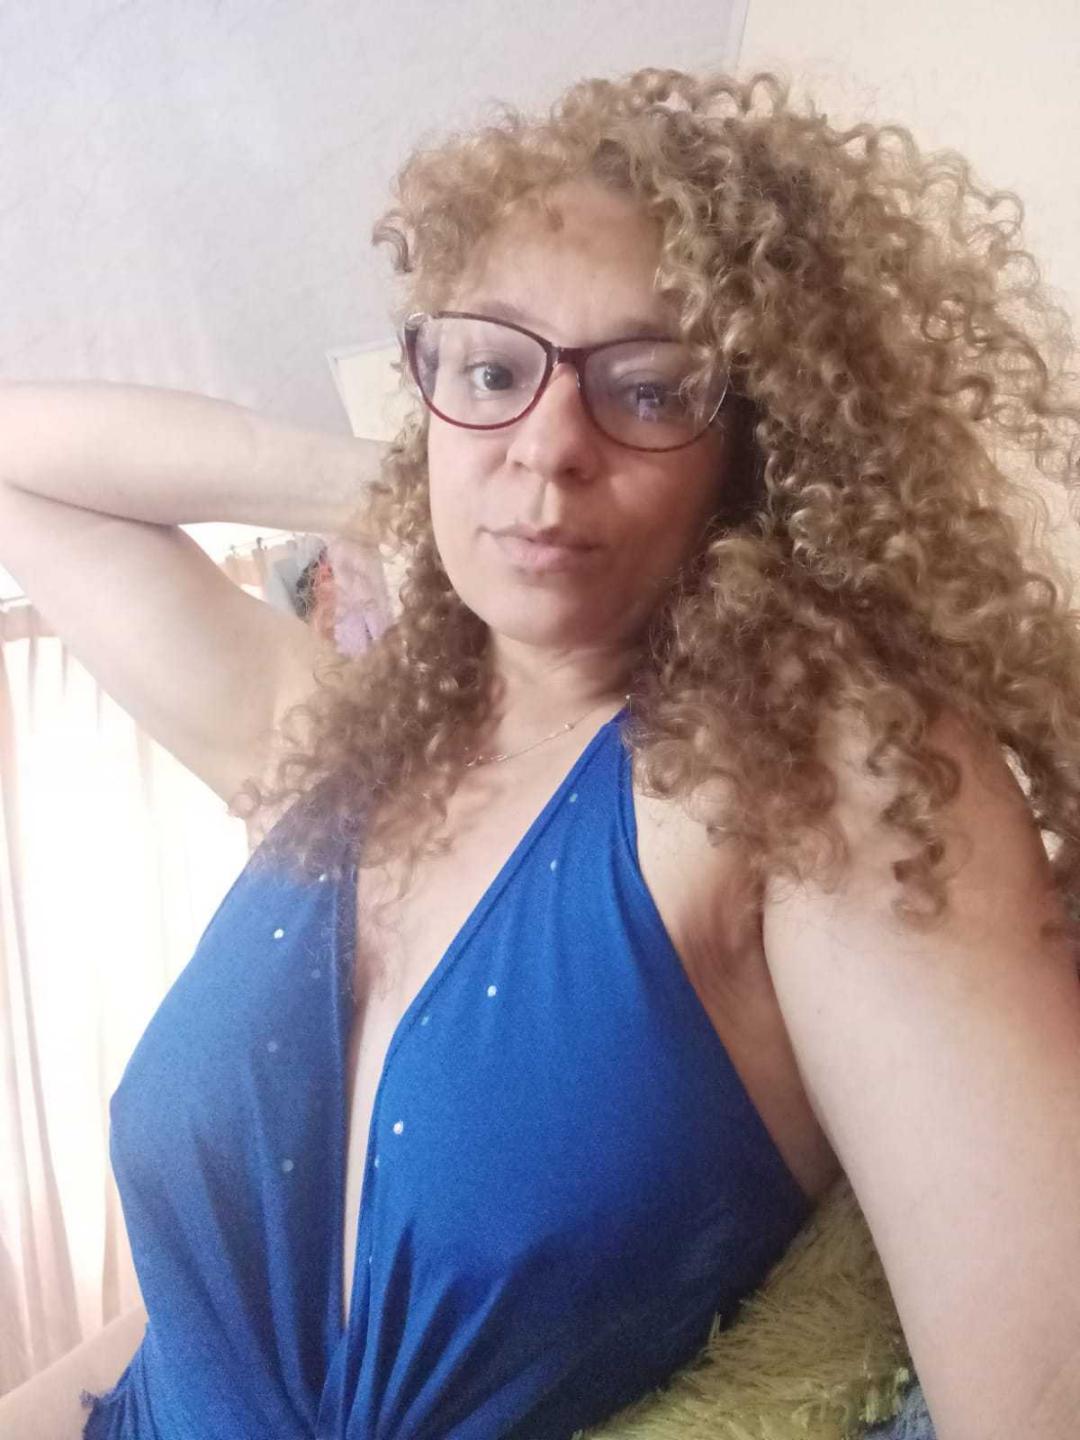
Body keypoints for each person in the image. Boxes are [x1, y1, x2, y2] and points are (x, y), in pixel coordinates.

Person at [1, 64, 1077, 1440]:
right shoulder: (329, 742)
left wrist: (480, 441)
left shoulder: (824, 781)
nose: (551, 446)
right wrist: (405, 483)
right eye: (495, 370)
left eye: (649, 389)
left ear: (752, 444)